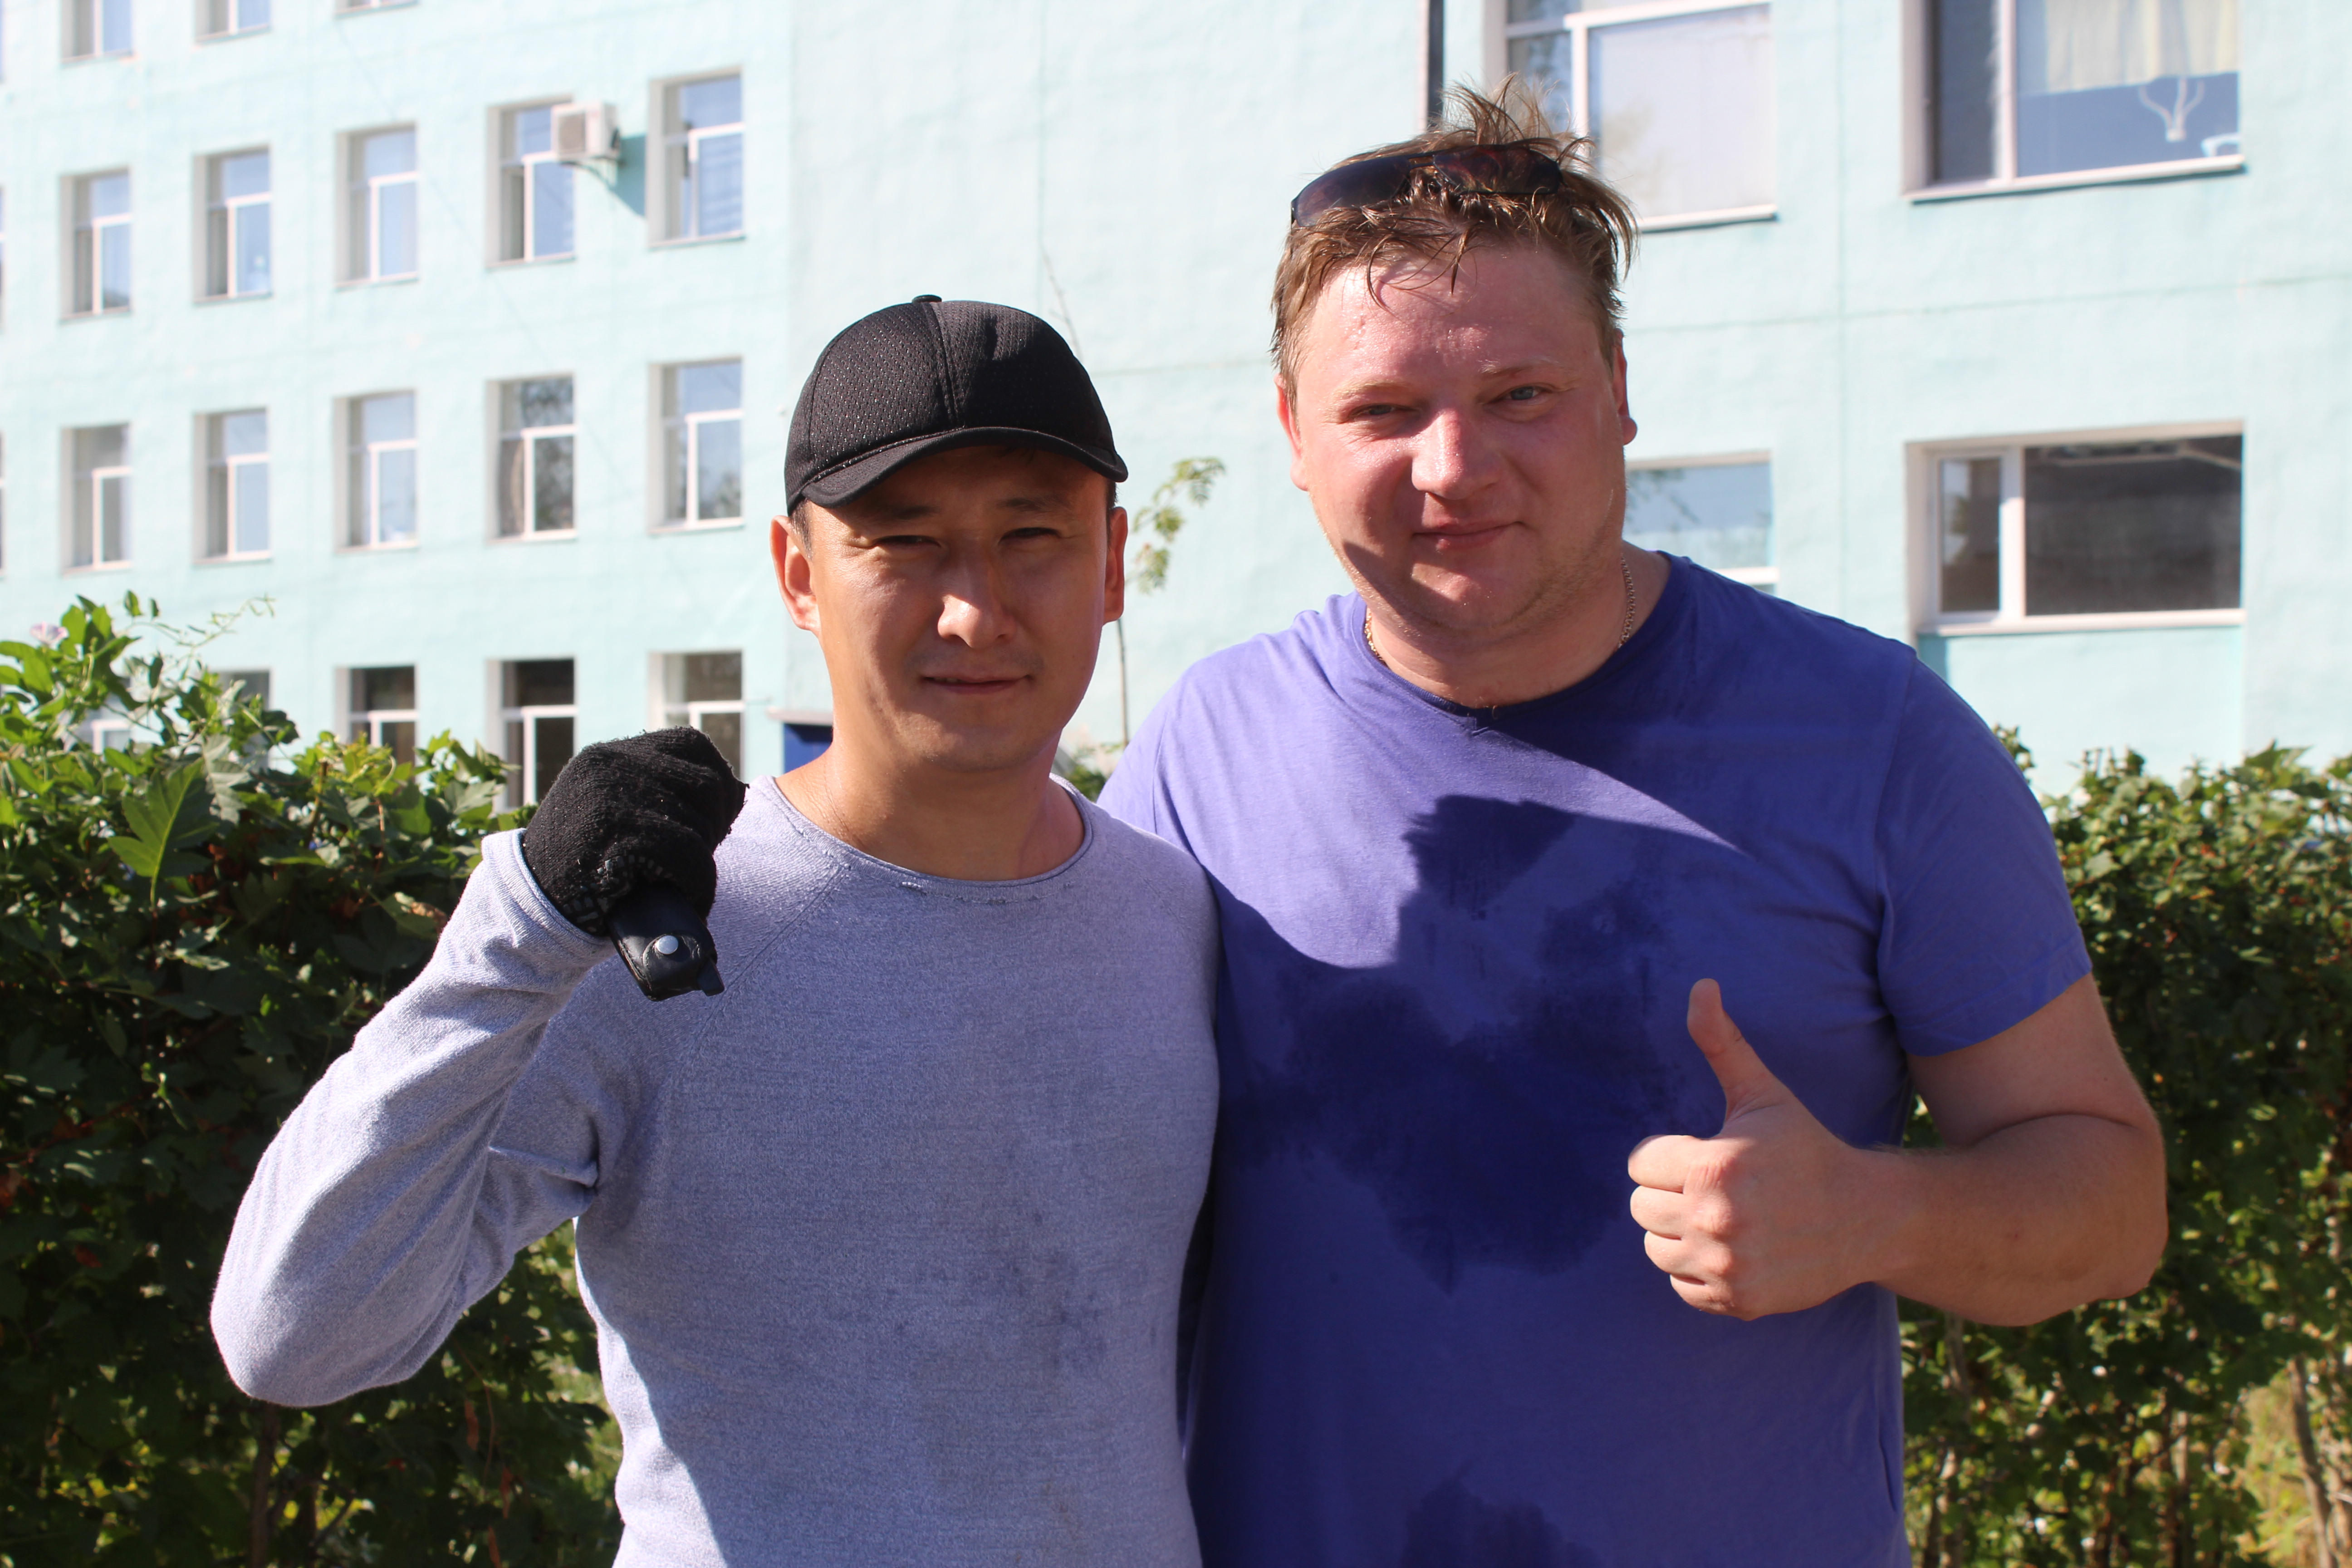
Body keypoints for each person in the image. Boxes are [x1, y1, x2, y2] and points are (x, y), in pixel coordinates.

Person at [1099, 89, 2167, 1566]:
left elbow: (2113, 1205)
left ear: (1616, 389)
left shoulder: (1874, 739)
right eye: (1383, 410)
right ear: (1294, 432)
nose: (1453, 467)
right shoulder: (1203, 751)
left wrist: (1873, 1216)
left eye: (1520, 395)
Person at [214, 297, 1220, 1568]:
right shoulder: (651, 934)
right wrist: (521, 920)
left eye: (1033, 537)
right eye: (904, 544)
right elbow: (295, 1338)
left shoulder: (1175, 915)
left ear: (1113, 564)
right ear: (799, 575)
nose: (974, 611)